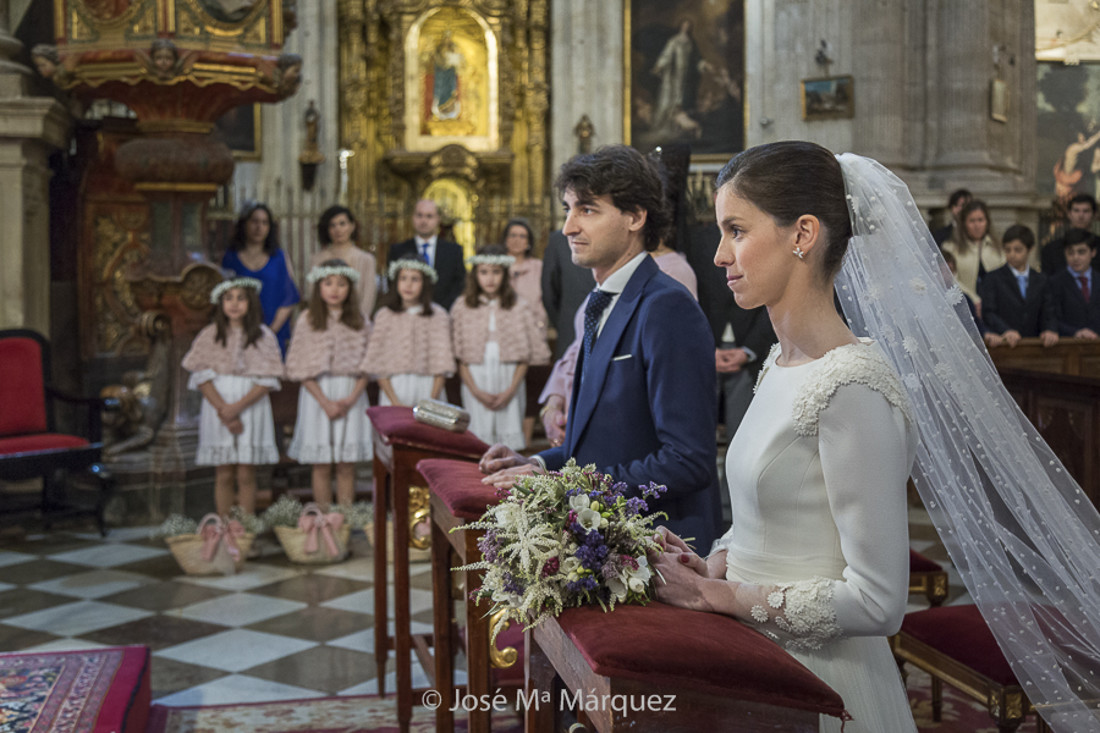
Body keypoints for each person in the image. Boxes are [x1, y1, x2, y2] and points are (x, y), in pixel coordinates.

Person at [653, 141, 1100, 733]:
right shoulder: (778, 363)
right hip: (756, 660)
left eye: (736, 230)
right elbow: (770, 516)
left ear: (802, 234)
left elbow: (877, 602)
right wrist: (714, 563)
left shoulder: (853, 385)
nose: (718, 254)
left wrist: (721, 597)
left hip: (824, 680)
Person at [479, 144, 721, 550]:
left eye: (587, 210)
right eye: (567, 210)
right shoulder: (599, 301)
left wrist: (566, 485)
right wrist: (538, 463)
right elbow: (600, 441)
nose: (569, 227)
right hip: (603, 538)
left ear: (635, 217)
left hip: (657, 544)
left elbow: (687, 460)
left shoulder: (666, 305)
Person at [182, 278, 283, 516]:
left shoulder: (263, 335)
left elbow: (267, 380)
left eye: (241, 298)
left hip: (251, 406)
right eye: (228, 298)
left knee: (247, 473)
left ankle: (245, 532)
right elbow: (201, 376)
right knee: (224, 472)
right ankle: (225, 528)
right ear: (220, 303)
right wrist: (224, 411)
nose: (234, 304)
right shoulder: (210, 335)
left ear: (251, 302)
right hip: (218, 407)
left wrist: (237, 408)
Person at [286, 260, 373, 507]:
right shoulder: (307, 319)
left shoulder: (360, 320)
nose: (335, 289)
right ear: (319, 287)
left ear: (350, 288)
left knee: (347, 464)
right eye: (328, 283)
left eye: (341, 284)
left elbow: (370, 364)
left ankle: (344, 521)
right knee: (321, 464)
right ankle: (324, 522)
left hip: (351, 394)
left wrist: (350, 398)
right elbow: (300, 367)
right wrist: (325, 402)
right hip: (317, 396)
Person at [451, 245, 550, 450]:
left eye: (496, 272)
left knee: (508, 443)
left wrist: (509, 391)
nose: (490, 278)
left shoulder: (518, 305)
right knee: (478, 440)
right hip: (476, 378)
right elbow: (460, 357)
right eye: (484, 272)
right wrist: (476, 392)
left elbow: (525, 356)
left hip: (509, 379)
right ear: (475, 275)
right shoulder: (462, 307)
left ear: (504, 275)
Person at [362, 258, 455, 406]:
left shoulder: (438, 315)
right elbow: (378, 365)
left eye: (415, 279)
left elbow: (442, 366)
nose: (408, 284)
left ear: (425, 283)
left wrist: (430, 401)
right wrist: (395, 402)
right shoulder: (384, 315)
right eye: (403, 278)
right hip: (394, 389)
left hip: (428, 388)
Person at [221, 202, 300, 354]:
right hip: (238, 333)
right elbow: (224, 295)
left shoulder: (279, 257)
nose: (259, 227)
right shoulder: (230, 257)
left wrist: (271, 331)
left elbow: (289, 298)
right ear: (244, 224)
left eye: (265, 222)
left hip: (273, 333)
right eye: (254, 221)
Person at [979, 224, 1059, 349]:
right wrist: (1006, 330)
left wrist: (1050, 329)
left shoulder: (1041, 279)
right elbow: (988, 312)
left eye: (1018, 250)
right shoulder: (993, 278)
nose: (1012, 254)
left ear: (1030, 249)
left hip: (1036, 345)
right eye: (1008, 249)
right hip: (1004, 344)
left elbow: (1048, 311)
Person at [388, 200, 466, 309]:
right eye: (419, 215)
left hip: (445, 313)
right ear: (413, 218)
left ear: (438, 219)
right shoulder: (398, 250)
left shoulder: (454, 251)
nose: (423, 221)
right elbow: (392, 283)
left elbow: (459, 284)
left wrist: (440, 311)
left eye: (429, 216)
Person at [310, 205, 378, 319]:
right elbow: (313, 293)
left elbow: (369, 297)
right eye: (332, 225)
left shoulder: (366, 259)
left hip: (356, 322)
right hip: (323, 321)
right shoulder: (317, 259)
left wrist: (358, 321)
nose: (338, 229)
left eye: (342, 224)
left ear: (352, 226)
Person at [939, 198, 1005, 311]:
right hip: (965, 305)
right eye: (972, 221)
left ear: (987, 222)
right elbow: (951, 279)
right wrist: (973, 299)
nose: (977, 225)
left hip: (997, 306)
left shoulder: (998, 247)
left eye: (980, 220)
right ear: (964, 223)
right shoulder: (950, 247)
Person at [541, 229, 594, 359]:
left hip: (568, 327)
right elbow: (549, 290)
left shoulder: (558, 238)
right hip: (570, 326)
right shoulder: (559, 239)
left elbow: (549, 290)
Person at [1050, 229, 1100, 339]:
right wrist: (1076, 332)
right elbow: (1051, 318)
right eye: (1070, 252)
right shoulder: (1054, 283)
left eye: (1081, 252)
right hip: (1068, 347)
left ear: (1093, 252)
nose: (1075, 257)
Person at [1042, 193, 1098, 275]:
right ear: (1069, 214)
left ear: (1094, 214)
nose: (1081, 215)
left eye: (1086, 211)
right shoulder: (1051, 249)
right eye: (1076, 210)